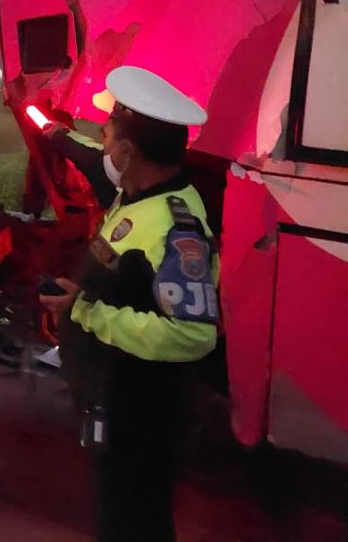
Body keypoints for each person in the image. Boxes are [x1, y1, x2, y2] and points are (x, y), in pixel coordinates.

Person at [39, 65, 220, 542]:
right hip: (114, 405)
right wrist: (50, 129)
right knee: (117, 518)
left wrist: (87, 313)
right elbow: (86, 156)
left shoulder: (176, 229)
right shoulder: (137, 191)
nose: (102, 142)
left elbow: (192, 333)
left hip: (143, 418)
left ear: (127, 151)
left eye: (108, 133)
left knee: (135, 524)